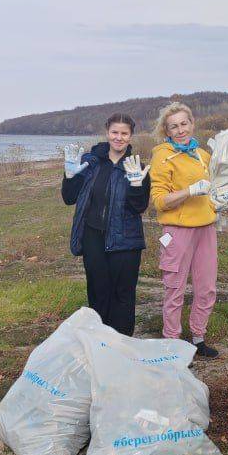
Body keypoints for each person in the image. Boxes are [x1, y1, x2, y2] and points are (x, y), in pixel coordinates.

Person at [61, 113, 150, 336]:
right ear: (107, 132)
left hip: (126, 241)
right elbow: (69, 197)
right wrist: (69, 175)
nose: (119, 137)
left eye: (124, 133)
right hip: (94, 238)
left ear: (131, 136)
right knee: (98, 292)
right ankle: (99, 343)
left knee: (123, 296)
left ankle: (121, 346)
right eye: (115, 132)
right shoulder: (90, 164)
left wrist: (137, 185)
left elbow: (139, 207)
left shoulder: (136, 166)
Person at [148, 102, 219, 358]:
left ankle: (198, 338)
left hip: (206, 229)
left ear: (192, 123)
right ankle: (172, 343)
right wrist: (189, 191)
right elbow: (158, 200)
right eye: (174, 126)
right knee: (175, 288)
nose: (180, 130)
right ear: (167, 131)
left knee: (206, 287)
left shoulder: (203, 155)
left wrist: (219, 203)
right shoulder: (163, 155)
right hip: (177, 231)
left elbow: (215, 189)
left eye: (184, 123)